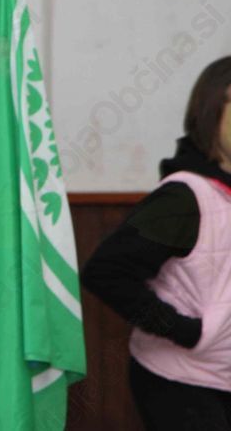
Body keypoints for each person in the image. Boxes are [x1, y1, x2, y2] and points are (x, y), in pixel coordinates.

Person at [82, 56, 231, 430]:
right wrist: (183, 331)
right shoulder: (184, 198)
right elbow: (106, 272)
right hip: (182, 382)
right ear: (212, 111)